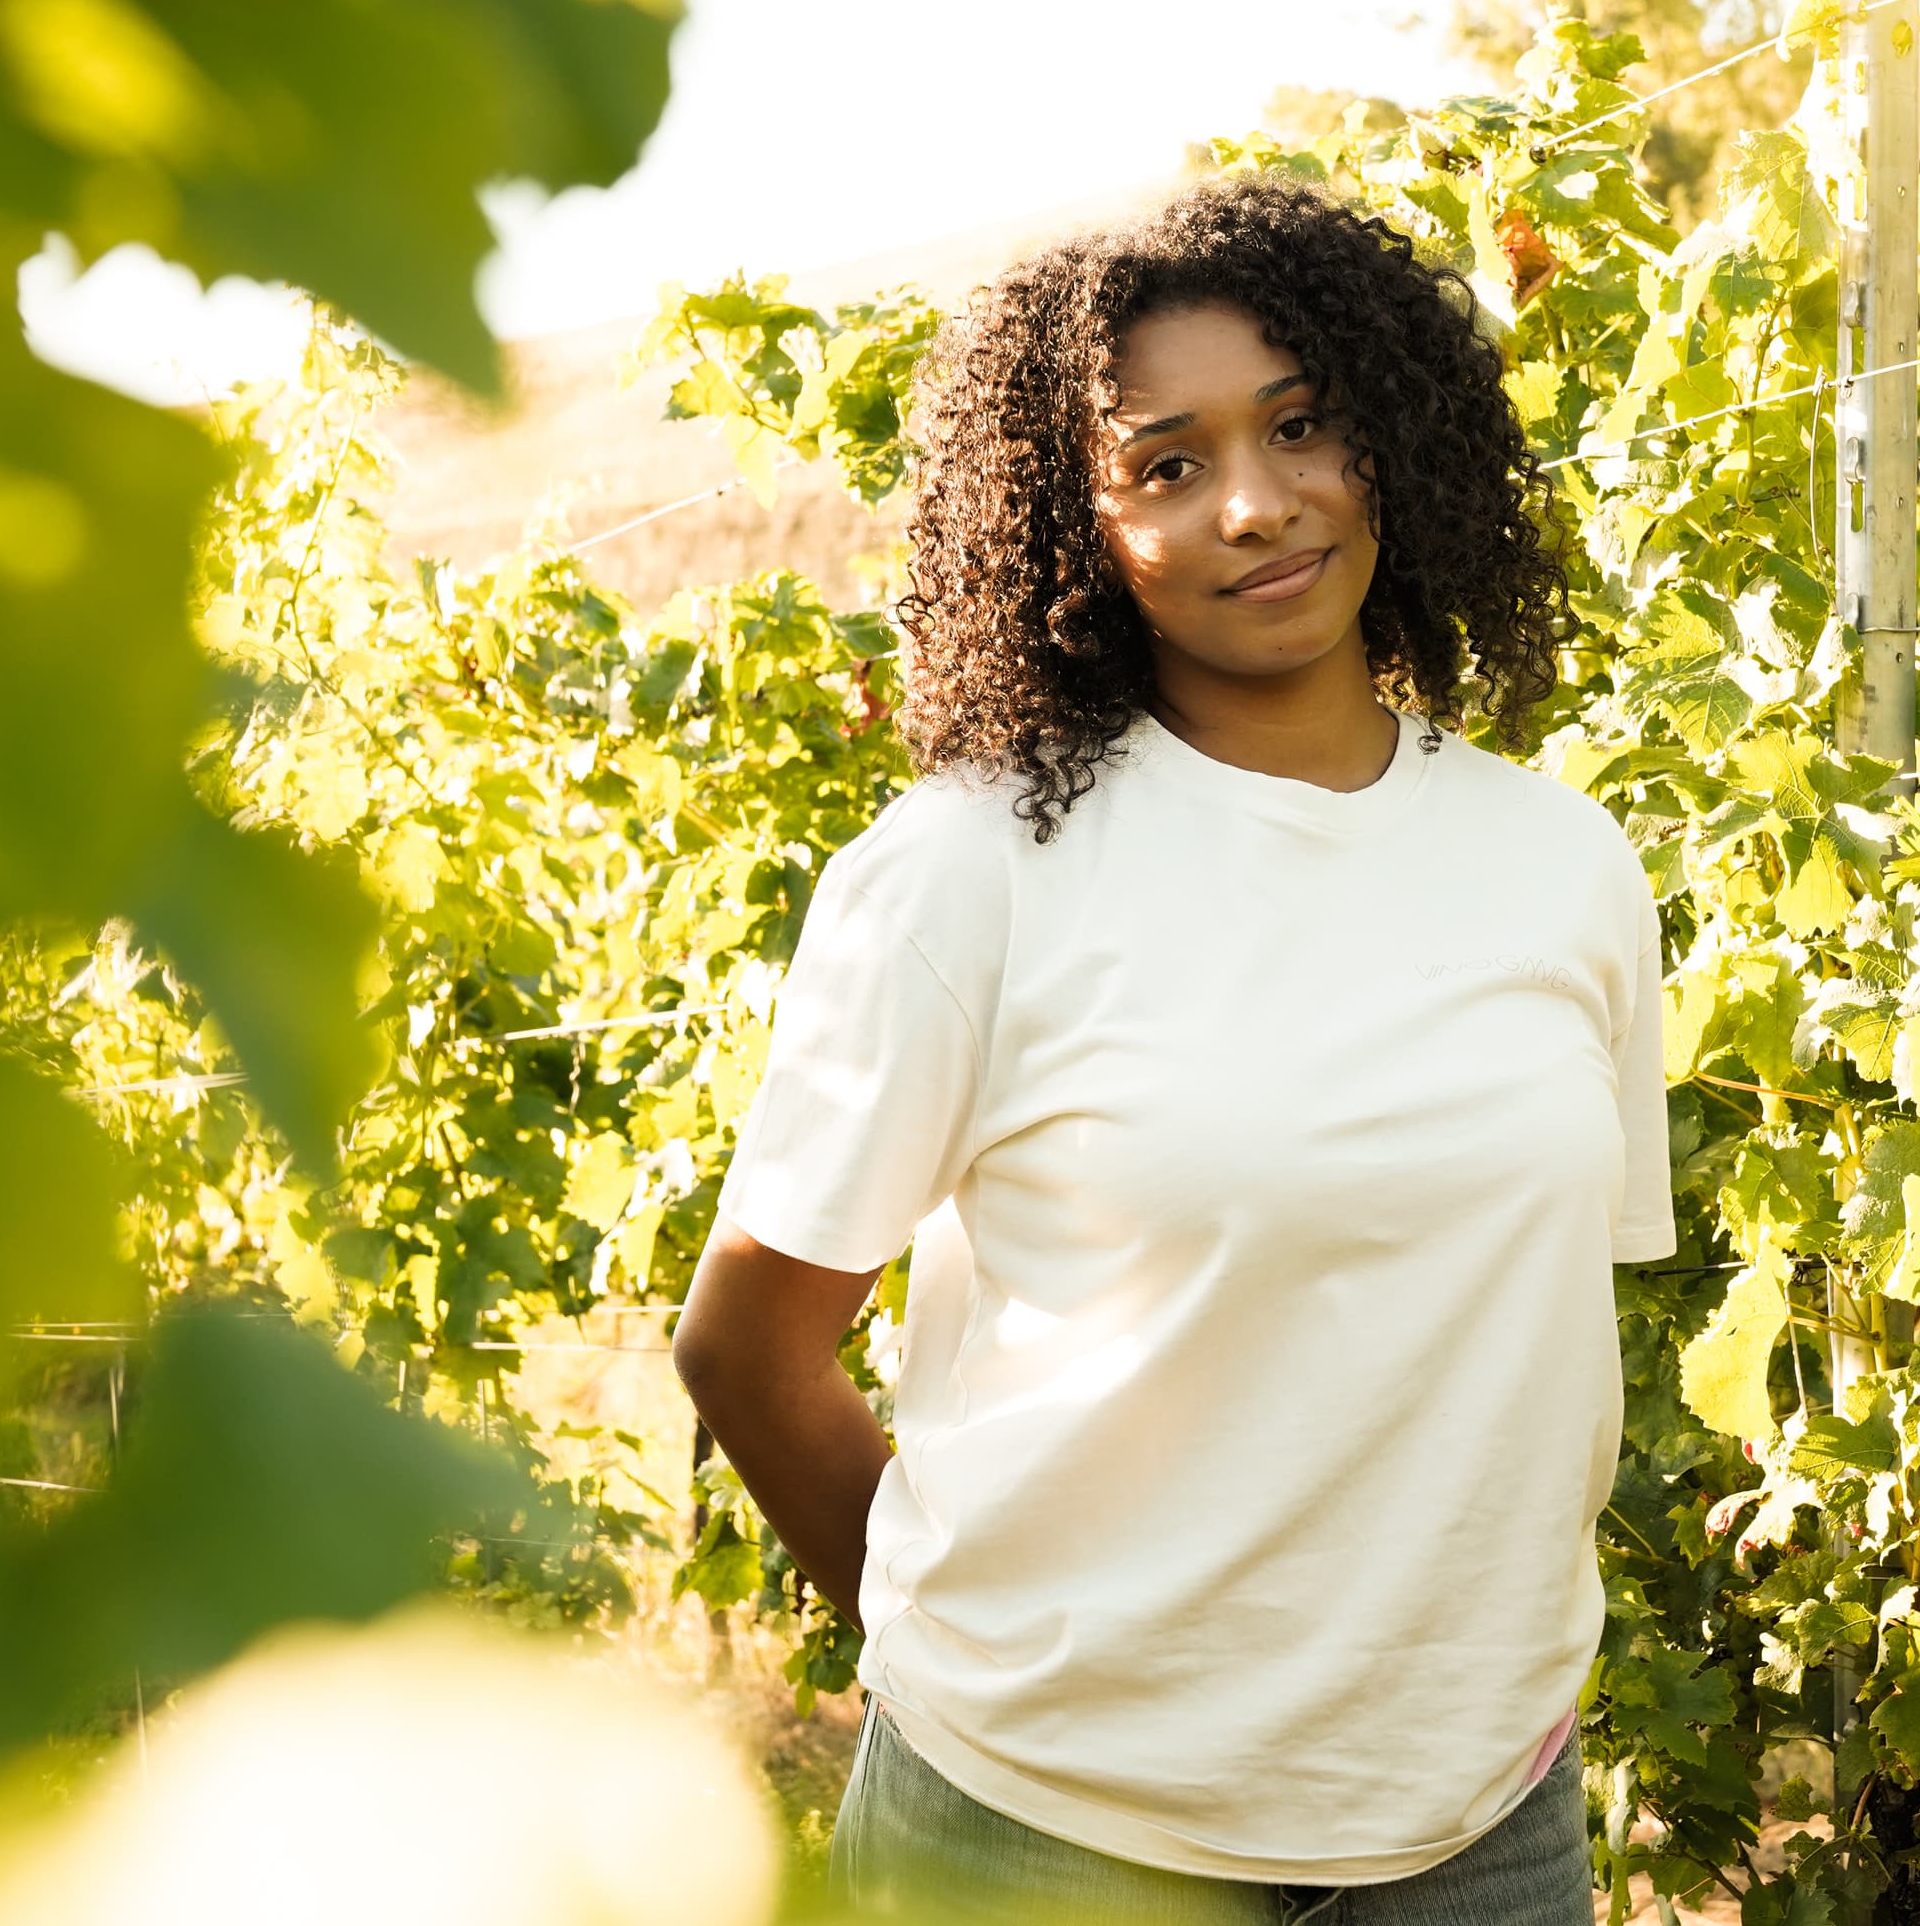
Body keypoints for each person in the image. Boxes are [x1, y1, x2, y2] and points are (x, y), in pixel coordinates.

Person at [671, 174, 1675, 1924]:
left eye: (1304, 426)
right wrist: (978, 1683)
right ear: (1077, 525)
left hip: (1482, 1835)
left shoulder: (1562, 865)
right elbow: (745, 1349)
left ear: (1397, 441)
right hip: (1049, 1845)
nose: (1257, 504)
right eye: (1167, 463)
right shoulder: (968, 871)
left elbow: (1504, 1354)